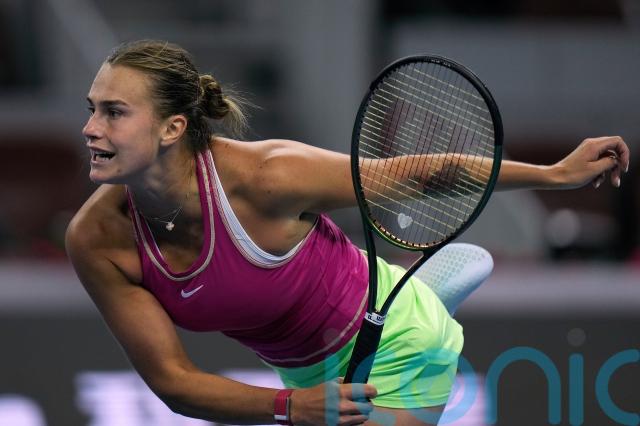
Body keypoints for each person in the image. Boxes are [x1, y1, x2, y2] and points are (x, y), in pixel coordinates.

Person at [65, 40, 630, 426]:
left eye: (114, 112)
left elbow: (423, 175)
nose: (90, 128)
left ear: (172, 127)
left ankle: (419, 309)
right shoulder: (98, 238)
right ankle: (420, 291)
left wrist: (554, 175)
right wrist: (291, 406)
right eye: (92, 109)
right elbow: (173, 381)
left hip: (398, 354)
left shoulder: (268, 177)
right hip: (304, 375)